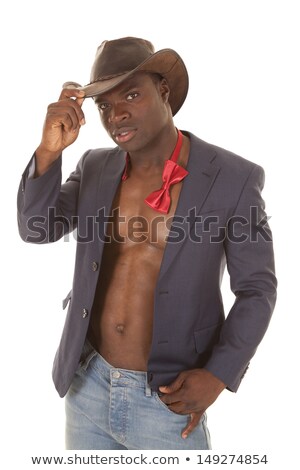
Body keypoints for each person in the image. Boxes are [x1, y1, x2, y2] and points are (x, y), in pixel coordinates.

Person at [17, 37, 277, 450]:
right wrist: (49, 152)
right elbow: (36, 228)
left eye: (132, 95)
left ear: (164, 93)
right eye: (103, 105)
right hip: (87, 386)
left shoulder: (233, 178)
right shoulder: (95, 166)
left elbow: (257, 289)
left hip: (169, 399)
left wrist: (219, 374)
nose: (116, 114)